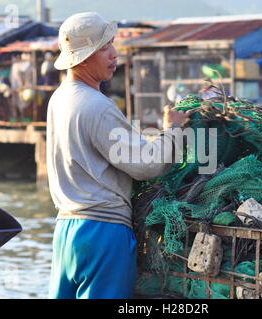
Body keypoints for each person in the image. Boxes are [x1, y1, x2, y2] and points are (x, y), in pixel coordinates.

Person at [46, 12, 187, 299]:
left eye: (112, 45)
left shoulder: (59, 99)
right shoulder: (96, 106)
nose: (114, 54)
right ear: (83, 58)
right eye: (105, 47)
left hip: (66, 231)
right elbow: (147, 165)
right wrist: (172, 130)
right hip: (102, 231)